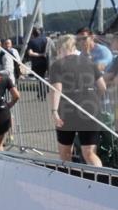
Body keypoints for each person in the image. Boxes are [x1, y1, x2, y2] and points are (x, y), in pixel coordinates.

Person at [49, 34, 107, 165]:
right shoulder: (89, 62)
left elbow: (56, 90)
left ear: (59, 49)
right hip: (90, 109)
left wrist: (54, 111)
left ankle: (69, 180)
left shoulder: (57, 65)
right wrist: (94, 99)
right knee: (89, 153)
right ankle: (101, 181)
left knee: (65, 152)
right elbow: (102, 86)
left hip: (68, 111)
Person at [24, 28, 50, 99]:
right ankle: (41, 92)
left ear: (32, 34)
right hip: (45, 62)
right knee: (43, 77)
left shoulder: (31, 42)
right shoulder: (45, 40)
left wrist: (40, 54)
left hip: (36, 63)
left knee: (39, 78)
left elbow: (30, 53)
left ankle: (42, 93)